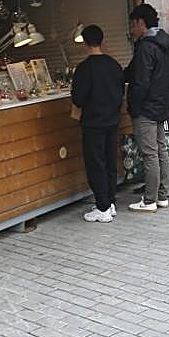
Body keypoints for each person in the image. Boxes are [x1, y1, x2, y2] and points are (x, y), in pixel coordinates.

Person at [71, 24, 125, 223]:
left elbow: (78, 98)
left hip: (93, 123)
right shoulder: (114, 65)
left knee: (96, 164)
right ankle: (109, 203)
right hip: (112, 120)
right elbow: (121, 91)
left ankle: (102, 207)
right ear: (102, 40)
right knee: (110, 161)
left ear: (84, 42)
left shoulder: (84, 69)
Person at [125, 2, 169, 212]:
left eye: (133, 24)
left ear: (141, 23)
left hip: (146, 108)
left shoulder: (146, 46)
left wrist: (134, 107)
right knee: (160, 150)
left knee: (150, 154)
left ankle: (149, 200)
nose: (131, 29)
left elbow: (141, 81)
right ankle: (162, 195)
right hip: (161, 106)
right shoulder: (163, 43)